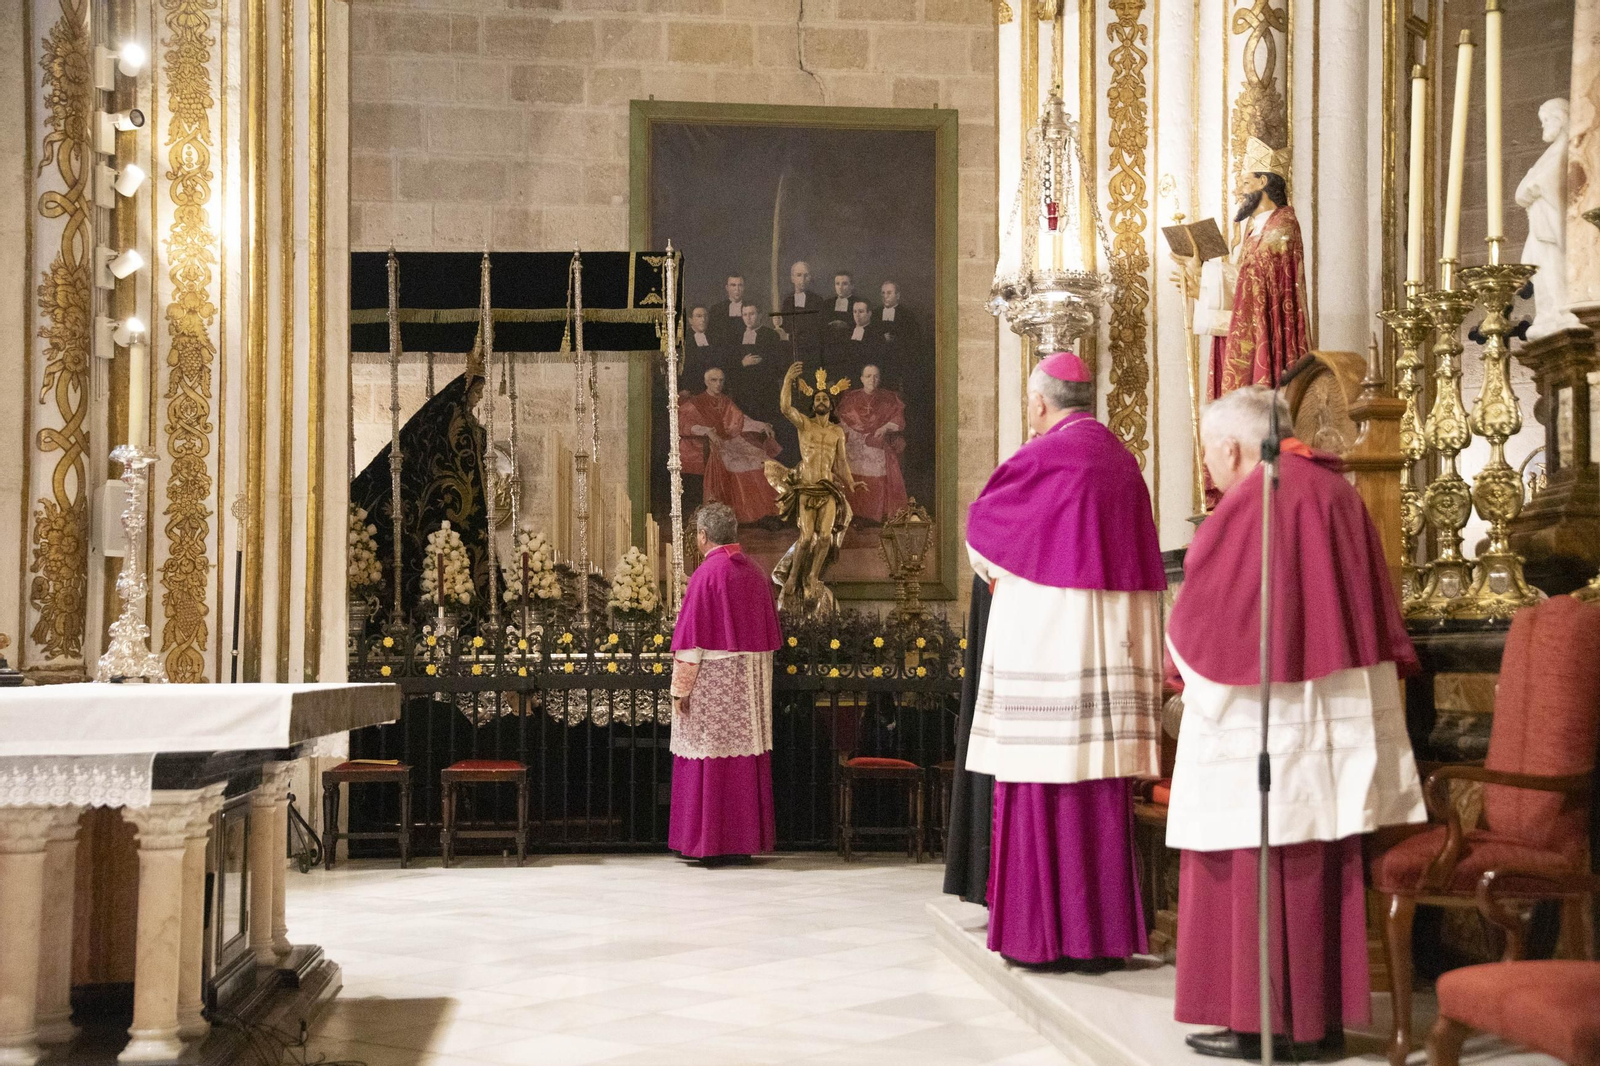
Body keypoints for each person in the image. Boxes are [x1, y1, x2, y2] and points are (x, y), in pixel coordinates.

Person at [1165, 385, 1425, 1060]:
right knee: (1317, 856)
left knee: (1252, 857)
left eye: (1210, 455)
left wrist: (1174, 671)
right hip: (1333, 713)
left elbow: (1205, 616)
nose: (1212, 470)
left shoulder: (1254, 500)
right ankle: (1319, 1020)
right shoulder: (1338, 493)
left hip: (1262, 717)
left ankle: (1260, 1022)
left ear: (1229, 447)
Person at [963, 351, 1168, 970]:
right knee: (1097, 792)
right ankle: (1101, 938)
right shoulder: (1123, 462)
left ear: (1040, 401)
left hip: (1047, 653)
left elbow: (983, 535)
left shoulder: (1040, 458)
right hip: (1109, 657)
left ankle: (1041, 937)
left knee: (1038, 787)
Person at [668, 503, 782, 866]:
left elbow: (691, 642)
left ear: (703, 536)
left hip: (712, 683)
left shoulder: (706, 574)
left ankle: (708, 843)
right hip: (748, 686)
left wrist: (681, 690)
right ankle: (740, 841)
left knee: (709, 758)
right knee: (742, 760)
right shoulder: (756, 573)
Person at [1196, 138, 1311, 401]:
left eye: (1246, 183)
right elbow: (1242, 281)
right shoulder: (1251, 229)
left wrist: (1207, 275)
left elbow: (1259, 275)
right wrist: (1200, 275)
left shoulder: (1283, 223)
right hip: (1245, 326)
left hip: (1270, 331)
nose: (1240, 191)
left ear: (1263, 182)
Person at [764, 362, 863, 616]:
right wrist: (787, 380)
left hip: (827, 488)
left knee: (826, 537)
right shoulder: (805, 425)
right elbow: (785, 408)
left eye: (825, 398)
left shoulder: (837, 431)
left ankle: (811, 577)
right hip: (807, 488)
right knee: (807, 537)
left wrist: (851, 482)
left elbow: (841, 462)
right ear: (813, 404)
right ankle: (793, 577)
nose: (821, 401)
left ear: (831, 405)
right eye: (817, 398)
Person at [679, 368, 781, 525]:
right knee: (741, 464)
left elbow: (739, 421)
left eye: (721, 380)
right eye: (714, 380)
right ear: (706, 382)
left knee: (765, 462)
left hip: (732, 442)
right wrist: (707, 431)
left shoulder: (725, 401)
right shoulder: (695, 403)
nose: (718, 384)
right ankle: (746, 514)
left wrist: (762, 426)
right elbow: (684, 424)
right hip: (712, 446)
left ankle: (768, 512)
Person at [836, 364, 907, 525]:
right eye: (868, 376)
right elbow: (844, 420)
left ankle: (875, 514)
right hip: (855, 442)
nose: (872, 380)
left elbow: (898, 419)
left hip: (877, 440)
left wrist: (885, 427)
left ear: (879, 379)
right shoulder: (851, 397)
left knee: (877, 462)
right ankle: (855, 514)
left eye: (875, 376)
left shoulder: (889, 397)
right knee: (851, 463)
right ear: (861, 379)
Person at [776, 260, 824, 360]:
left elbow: (815, 333)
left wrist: (788, 337)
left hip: (809, 353)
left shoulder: (817, 301)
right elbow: (784, 327)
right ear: (792, 278)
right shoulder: (787, 301)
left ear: (810, 277)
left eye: (806, 275)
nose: (802, 279)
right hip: (789, 352)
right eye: (798, 275)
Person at [711, 274, 748, 345]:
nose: (737, 289)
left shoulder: (752, 308)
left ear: (744, 287)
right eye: (733, 285)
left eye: (740, 285)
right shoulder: (716, 309)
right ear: (727, 288)